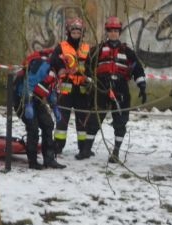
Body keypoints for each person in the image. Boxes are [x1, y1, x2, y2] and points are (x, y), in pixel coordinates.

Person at [88, 16, 147, 164]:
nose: (113, 33)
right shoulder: (98, 49)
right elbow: (88, 68)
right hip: (102, 88)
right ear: (107, 32)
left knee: (120, 122)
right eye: (110, 31)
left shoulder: (127, 51)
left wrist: (142, 86)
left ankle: (115, 152)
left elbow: (137, 69)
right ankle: (85, 150)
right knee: (95, 119)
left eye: (116, 31)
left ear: (119, 32)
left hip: (120, 90)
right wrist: (89, 83)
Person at [12, 47, 67, 170]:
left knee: (48, 124)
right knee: (33, 128)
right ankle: (33, 162)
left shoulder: (54, 73)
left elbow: (50, 91)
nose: (64, 73)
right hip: (22, 100)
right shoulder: (42, 67)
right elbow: (27, 84)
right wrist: (27, 103)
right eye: (64, 70)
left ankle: (49, 159)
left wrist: (55, 107)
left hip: (36, 100)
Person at [53, 17, 93, 157]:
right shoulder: (61, 47)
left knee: (82, 122)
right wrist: (60, 70)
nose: (76, 33)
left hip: (81, 90)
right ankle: (57, 147)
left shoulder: (87, 48)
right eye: (73, 30)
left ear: (82, 33)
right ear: (68, 32)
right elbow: (54, 62)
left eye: (78, 31)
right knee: (62, 121)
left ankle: (83, 148)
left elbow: (91, 67)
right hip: (66, 90)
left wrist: (89, 78)